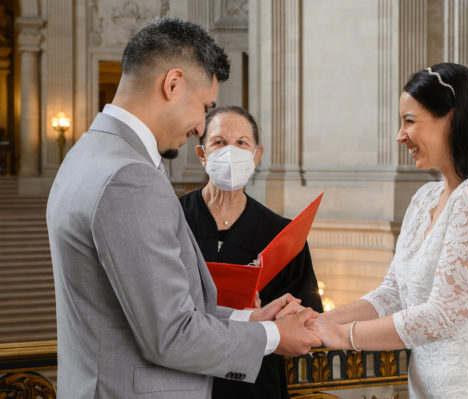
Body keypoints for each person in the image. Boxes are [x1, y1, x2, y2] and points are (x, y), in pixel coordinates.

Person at [46, 18, 321, 399]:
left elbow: (149, 309)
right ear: (173, 84)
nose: (199, 124)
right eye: (205, 107)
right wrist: (273, 335)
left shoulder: (87, 153)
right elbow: (170, 334)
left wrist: (248, 317)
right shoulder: (130, 177)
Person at [286, 63, 468, 398]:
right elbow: (392, 293)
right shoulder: (425, 198)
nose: (400, 135)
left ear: (451, 118)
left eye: (410, 121)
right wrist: (319, 321)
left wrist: (342, 335)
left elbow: (443, 316)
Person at [179, 105, 323, 399]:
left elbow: (309, 315)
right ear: (202, 155)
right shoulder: (171, 218)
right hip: (184, 377)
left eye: (241, 143)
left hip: (254, 384)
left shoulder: (281, 234)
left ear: (256, 155)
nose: (230, 151)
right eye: (219, 142)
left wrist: (270, 314)